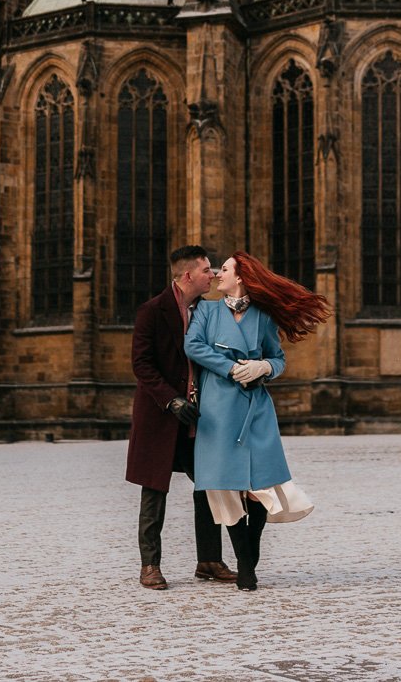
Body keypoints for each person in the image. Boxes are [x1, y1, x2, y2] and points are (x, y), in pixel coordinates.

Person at [185, 251, 330, 590]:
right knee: (228, 488)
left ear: (241, 277)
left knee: (259, 488)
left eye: (225, 269)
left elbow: (277, 359)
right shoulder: (206, 310)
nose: (218, 275)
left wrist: (264, 367)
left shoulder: (263, 316)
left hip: (256, 409)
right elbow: (193, 346)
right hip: (219, 410)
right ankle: (245, 565)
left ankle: (250, 557)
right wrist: (230, 367)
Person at [125, 244, 237, 591]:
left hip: (197, 418)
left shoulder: (209, 311)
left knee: (207, 485)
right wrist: (171, 401)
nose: (214, 275)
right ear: (188, 275)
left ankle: (208, 560)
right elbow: (142, 365)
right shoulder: (152, 311)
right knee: (154, 490)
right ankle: (150, 565)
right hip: (161, 415)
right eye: (207, 270)